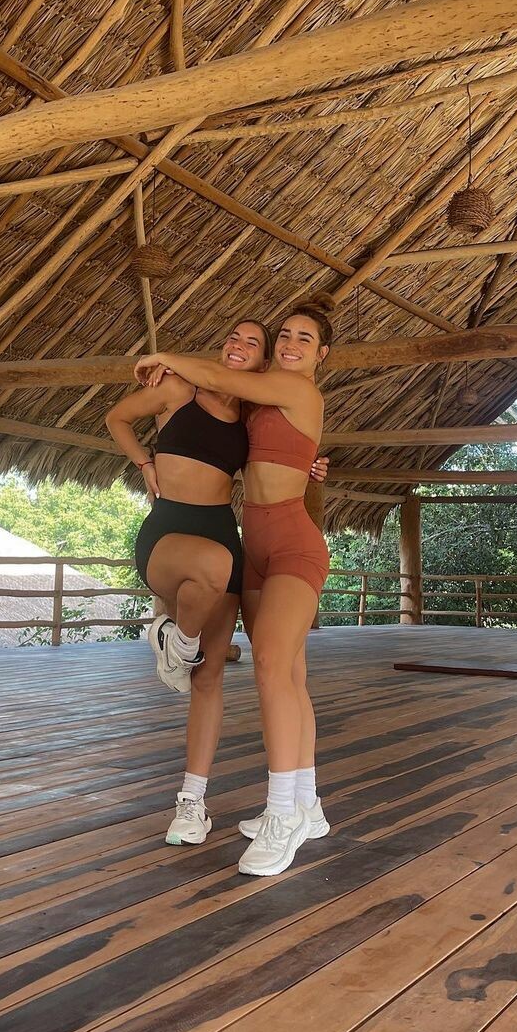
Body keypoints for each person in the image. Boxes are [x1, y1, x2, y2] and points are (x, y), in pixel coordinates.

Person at [107, 320, 326, 849]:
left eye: (254, 342)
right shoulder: (198, 393)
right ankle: (177, 638)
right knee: (278, 665)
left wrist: (165, 353)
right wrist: (143, 461)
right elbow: (120, 416)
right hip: (192, 533)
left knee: (240, 672)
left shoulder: (266, 399)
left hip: (245, 537)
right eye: (234, 337)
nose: (239, 346)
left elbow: (271, 429)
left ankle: (248, 806)